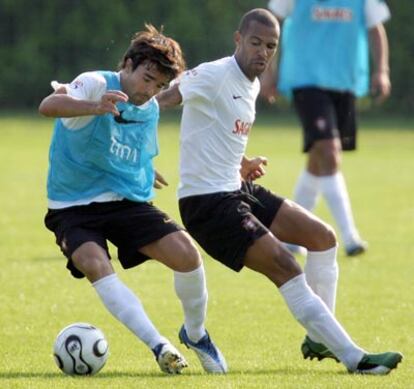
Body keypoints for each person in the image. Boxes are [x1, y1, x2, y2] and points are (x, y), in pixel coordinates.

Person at [156, 9, 402, 374]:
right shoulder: (214, 75)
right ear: (238, 39)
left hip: (235, 188)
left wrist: (241, 165)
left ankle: (320, 338)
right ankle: (355, 358)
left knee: (323, 238)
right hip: (207, 205)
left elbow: (216, 135)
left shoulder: (252, 84)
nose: (263, 52)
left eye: (270, 46)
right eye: (255, 43)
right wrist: (127, 135)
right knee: (288, 266)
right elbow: (161, 100)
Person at [39, 24, 227, 375]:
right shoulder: (96, 83)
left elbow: (131, 144)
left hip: (124, 201)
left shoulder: (150, 106)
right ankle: (160, 346)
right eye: (147, 78)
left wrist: (143, 167)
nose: (150, 91)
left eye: (159, 85)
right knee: (94, 263)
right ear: (127, 64)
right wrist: (93, 107)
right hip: (72, 207)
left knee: (188, 256)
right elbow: (49, 105)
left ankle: (196, 334)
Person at [261, 0, 392, 256]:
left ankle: (290, 237)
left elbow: (376, 29)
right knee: (330, 152)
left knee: (318, 160)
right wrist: (269, 70)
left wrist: (382, 71)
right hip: (305, 79)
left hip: (344, 82)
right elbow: (271, 21)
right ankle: (350, 236)